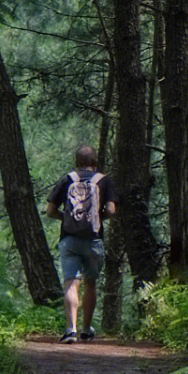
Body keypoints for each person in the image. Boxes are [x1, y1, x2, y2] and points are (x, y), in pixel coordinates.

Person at [45, 144, 117, 342]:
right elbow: (111, 210)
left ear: (77, 162)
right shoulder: (103, 181)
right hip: (93, 240)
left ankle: (71, 329)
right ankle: (86, 329)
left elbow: (50, 211)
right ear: (95, 162)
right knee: (90, 284)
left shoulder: (68, 179)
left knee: (71, 283)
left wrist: (66, 218)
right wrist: (98, 217)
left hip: (69, 239)